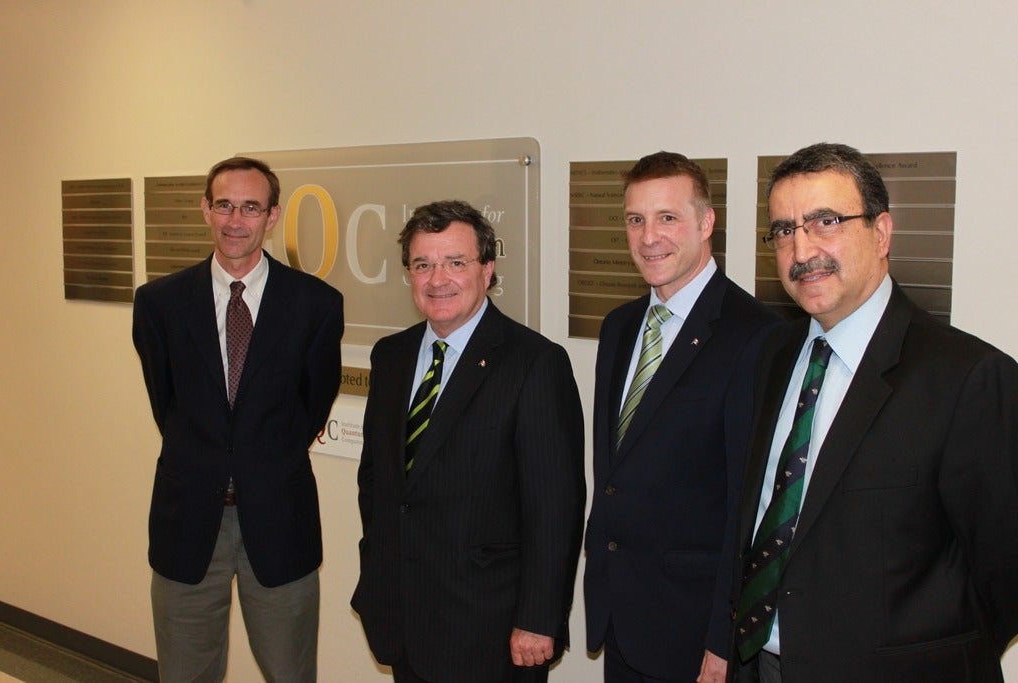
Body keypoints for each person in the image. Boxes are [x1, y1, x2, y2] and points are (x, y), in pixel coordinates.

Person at [731, 142, 1018, 682]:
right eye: (785, 230)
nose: (803, 249)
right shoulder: (772, 356)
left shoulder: (968, 378)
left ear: (881, 233)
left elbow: (1004, 576)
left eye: (825, 221)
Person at [351, 200, 585, 683]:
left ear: (487, 269)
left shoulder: (534, 364)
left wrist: (538, 620)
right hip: (402, 616)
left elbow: (554, 509)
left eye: (455, 262)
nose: (438, 279)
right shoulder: (391, 357)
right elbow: (376, 481)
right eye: (423, 264)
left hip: (490, 631)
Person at [132, 156, 344, 682]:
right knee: (184, 674)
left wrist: (258, 459)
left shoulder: (315, 304)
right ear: (205, 209)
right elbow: (168, 405)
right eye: (224, 205)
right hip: (187, 521)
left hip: (279, 518)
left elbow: (313, 402)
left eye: (251, 207)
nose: (235, 220)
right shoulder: (160, 303)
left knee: (290, 674)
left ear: (272, 217)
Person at [584, 151, 779, 683]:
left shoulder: (755, 334)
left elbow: (749, 506)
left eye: (667, 217)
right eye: (635, 220)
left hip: (695, 637)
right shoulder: (620, 327)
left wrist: (724, 639)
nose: (649, 237)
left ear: (706, 222)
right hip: (623, 619)